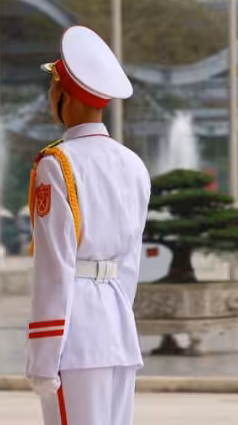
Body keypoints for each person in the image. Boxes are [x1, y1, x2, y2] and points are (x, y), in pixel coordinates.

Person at [26, 25, 151, 425]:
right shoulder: (133, 164)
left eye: (52, 88)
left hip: (75, 335)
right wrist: (118, 320)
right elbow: (130, 264)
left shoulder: (56, 164)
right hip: (118, 328)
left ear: (63, 94)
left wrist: (44, 355)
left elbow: (54, 266)